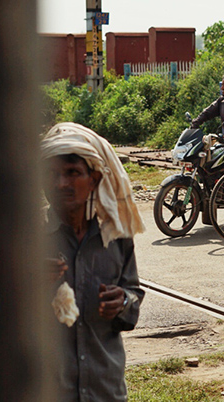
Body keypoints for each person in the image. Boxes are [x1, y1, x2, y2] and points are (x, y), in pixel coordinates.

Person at [42, 122, 146, 402]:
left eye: (73, 173)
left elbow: (134, 294)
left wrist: (123, 301)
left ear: (95, 179)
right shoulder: (27, 238)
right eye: (51, 175)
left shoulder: (116, 237)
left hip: (105, 390)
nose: (61, 183)